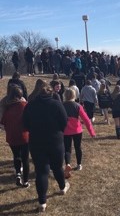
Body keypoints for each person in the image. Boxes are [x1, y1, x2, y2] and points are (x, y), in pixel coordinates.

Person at [22, 83, 69, 213]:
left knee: (41, 171)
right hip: (55, 141)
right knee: (57, 166)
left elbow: (25, 125)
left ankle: (42, 202)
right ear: (51, 93)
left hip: (37, 142)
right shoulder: (56, 104)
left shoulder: (30, 106)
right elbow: (64, 122)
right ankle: (62, 187)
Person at [1, 85, 30, 187]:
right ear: (20, 95)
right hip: (24, 136)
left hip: (11, 136)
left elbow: (3, 122)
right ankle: (25, 181)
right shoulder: (24, 105)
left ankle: (18, 173)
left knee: (16, 155)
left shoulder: (6, 107)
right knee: (25, 158)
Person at [63, 88, 96, 178]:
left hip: (66, 130)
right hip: (77, 130)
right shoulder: (77, 106)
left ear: (65, 95)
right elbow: (86, 120)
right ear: (74, 95)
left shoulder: (61, 105)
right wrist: (92, 132)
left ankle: (68, 163)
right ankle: (79, 164)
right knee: (78, 147)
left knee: (67, 149)